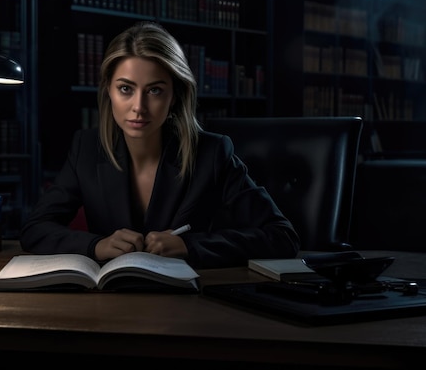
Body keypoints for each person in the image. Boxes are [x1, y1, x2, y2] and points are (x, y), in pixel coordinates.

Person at [20, 21, 300, 269]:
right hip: (109, 304)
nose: (139, 107)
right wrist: (97, 245)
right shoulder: (86, 148)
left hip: (192, 307)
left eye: (154, 90)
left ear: (175, 95)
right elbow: (35, 229)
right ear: (108, 90)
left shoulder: (212, 153)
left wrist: (191, 246)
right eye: (126, 89)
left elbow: (282, 236)